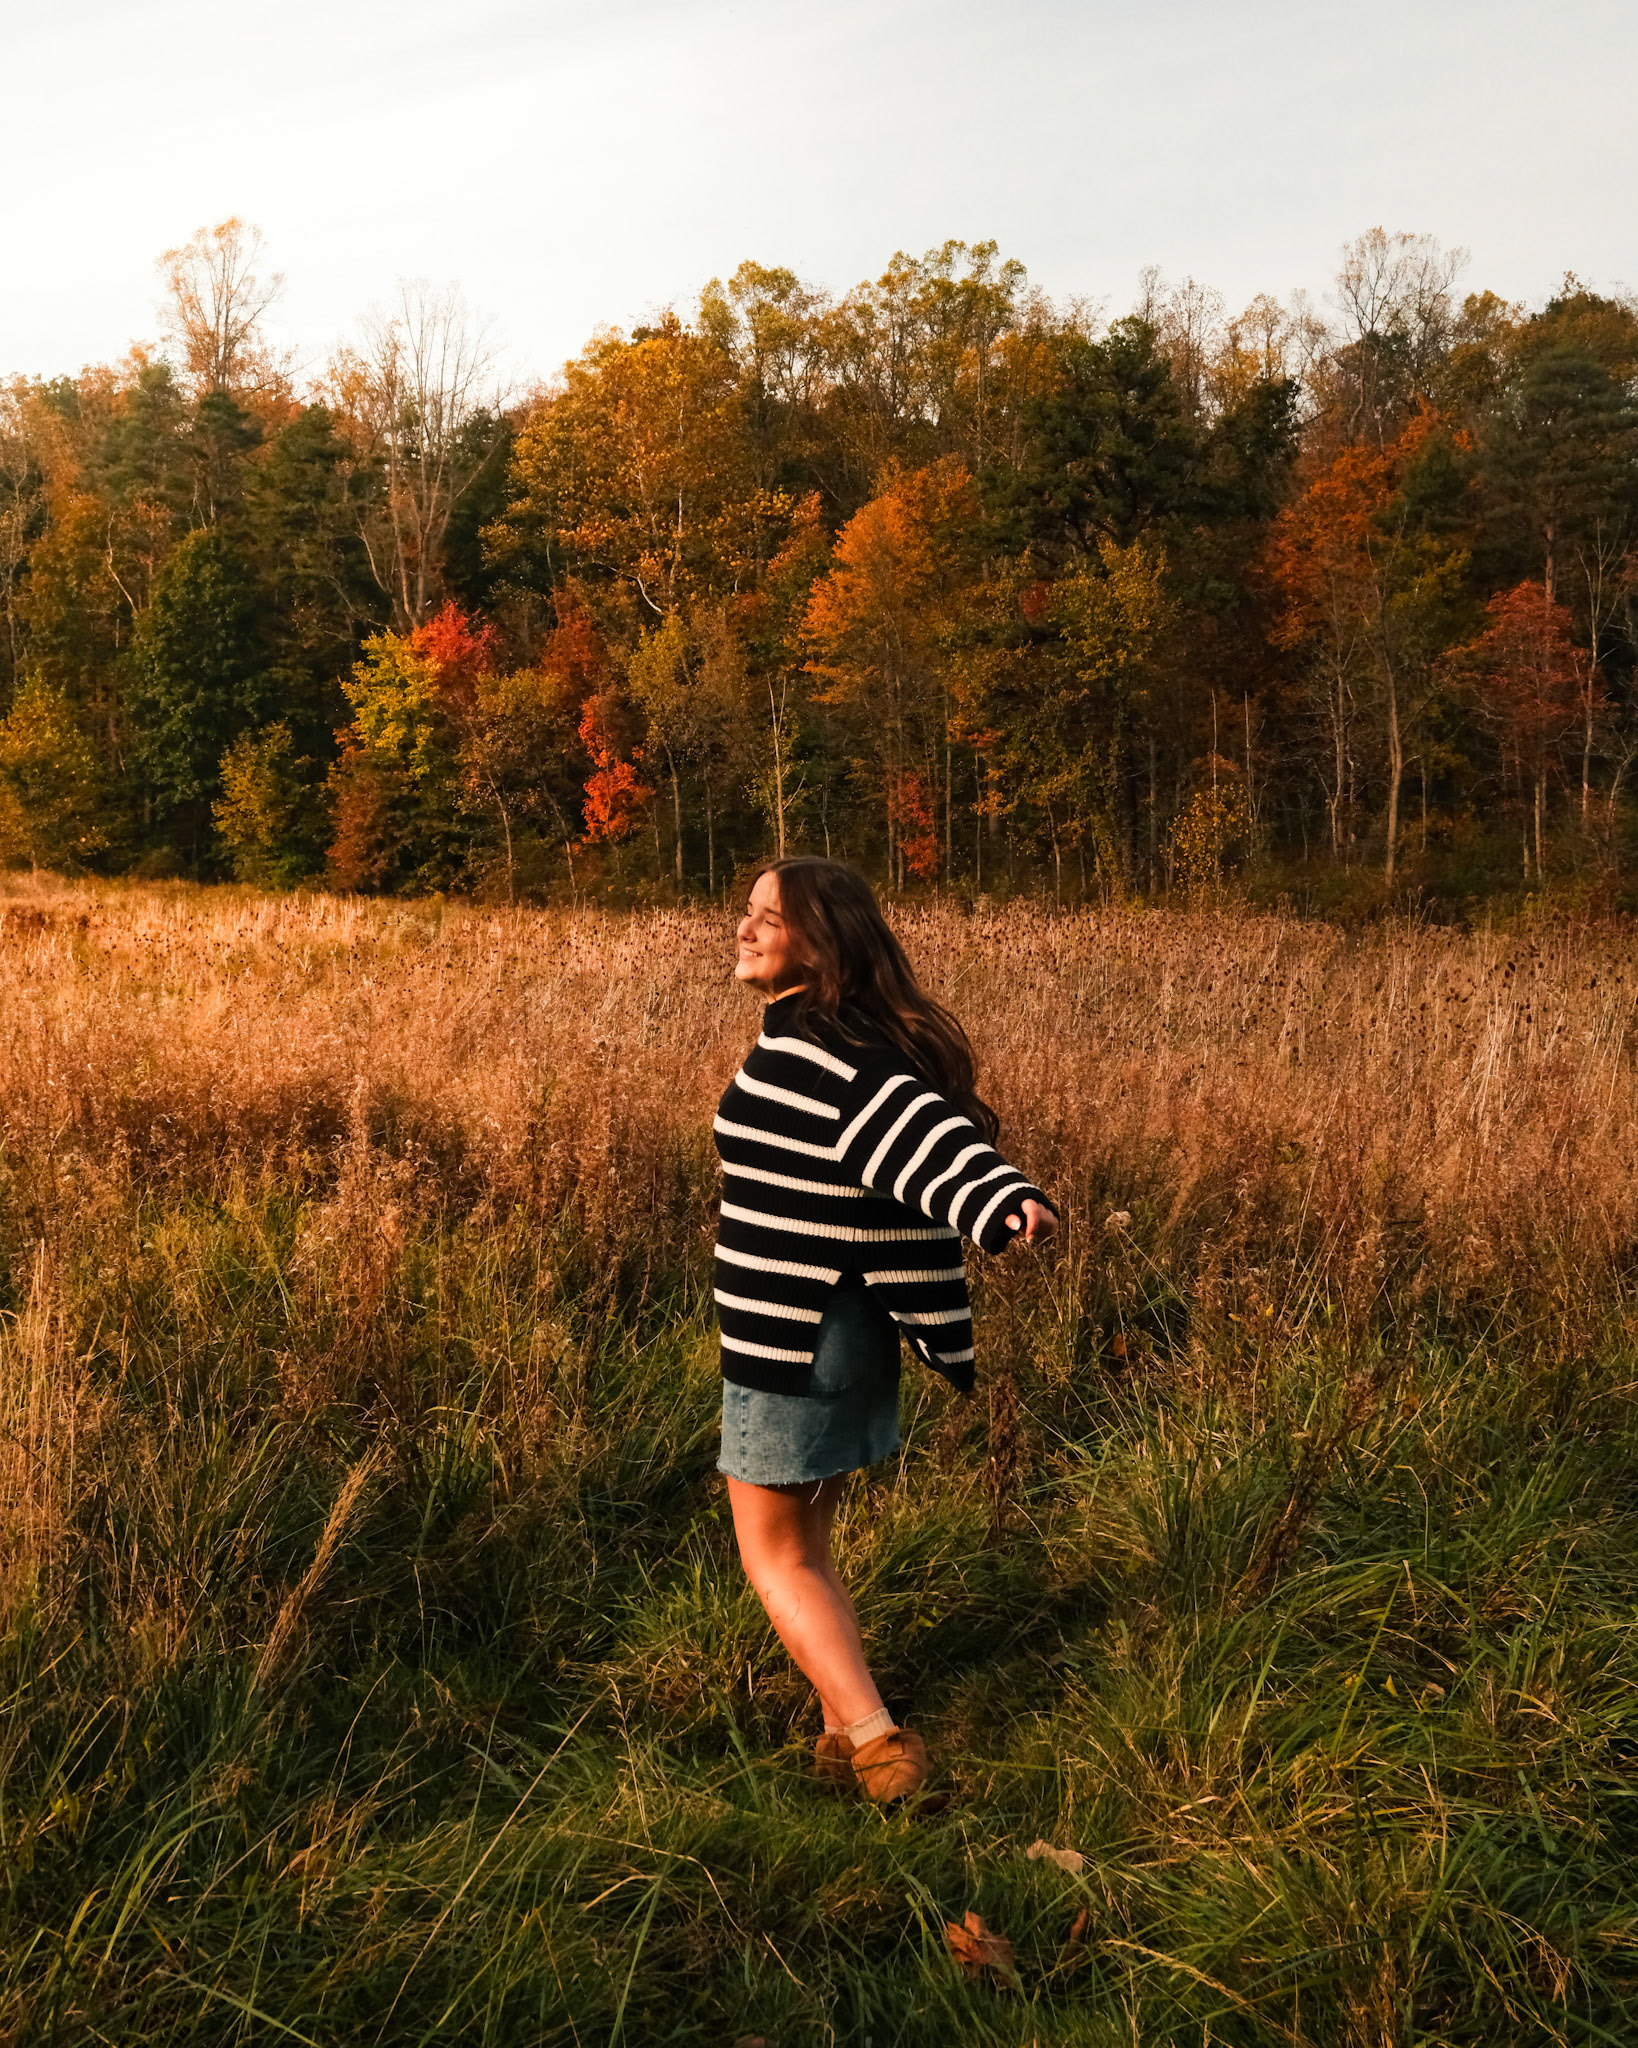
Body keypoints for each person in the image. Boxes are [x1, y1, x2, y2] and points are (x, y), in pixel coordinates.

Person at [716, 857, 1058, 1804]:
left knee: (774, 1556)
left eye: (770, 917)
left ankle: (879, 1749)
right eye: (748, 911)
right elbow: (916, 1127)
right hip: (831, 1329)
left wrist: (1001, 1197)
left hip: (796, 1337)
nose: (745, 928)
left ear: (821, 941)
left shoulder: (828, 1054)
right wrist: (996, 1191)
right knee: (808, 1551)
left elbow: (929, 1139)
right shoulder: (820, 1036)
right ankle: (839, 1743)